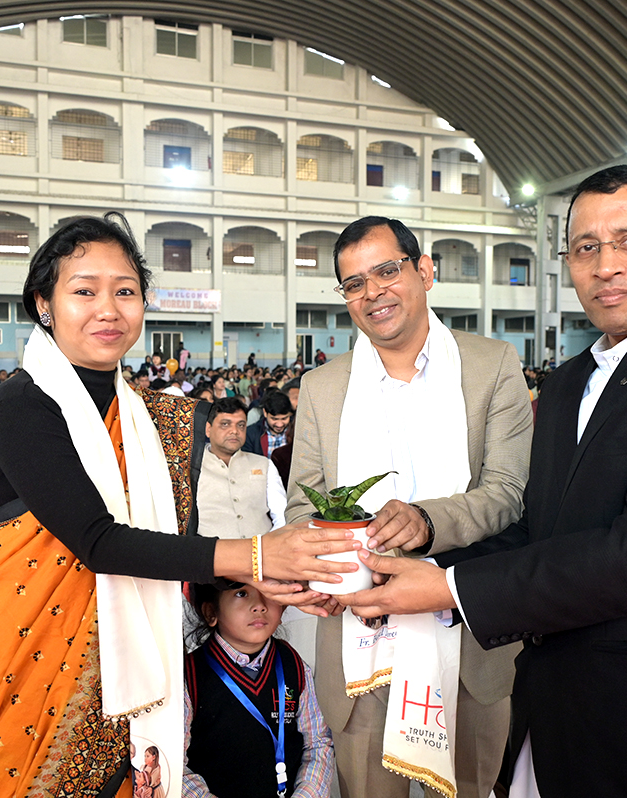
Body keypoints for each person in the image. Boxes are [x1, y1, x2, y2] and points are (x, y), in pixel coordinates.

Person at [339, 166, 627, 798]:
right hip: (560, 711)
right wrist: (415, 571)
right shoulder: (568, 383)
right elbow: (542, 529)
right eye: (586, 247)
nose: (606, 265)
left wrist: (450, 588)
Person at [0, 213, 359, 797]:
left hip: (135, 660)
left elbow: (173, 548)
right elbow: (99, 543)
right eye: (84, 291)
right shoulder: (22, 403)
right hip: (30, 655)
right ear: (44, 303)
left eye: (125, 291)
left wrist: (274, 580)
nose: (108, 309)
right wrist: (257, 555)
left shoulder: (154, 417)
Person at [282, 216, 532, 798]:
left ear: (424, 271)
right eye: (354, 283)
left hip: (468, 638)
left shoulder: (492, 365)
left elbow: (508, 491)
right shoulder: (323, 386)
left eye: (387, 271)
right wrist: (327, 570)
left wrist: (426, 521)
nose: (373, 293)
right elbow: (301, 506)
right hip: (360, 635)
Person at [183, 581, 334, 798]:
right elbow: (176, 767)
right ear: (211, 612)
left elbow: (317, 744)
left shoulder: (293, 665)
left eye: (269, 592)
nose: (260, 606)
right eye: (241, 593)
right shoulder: (189, 677)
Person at [197, 397, 286, 539]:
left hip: (263, 548)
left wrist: (268, 544)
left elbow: (281, 514)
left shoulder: (264, 464)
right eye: (225, 424)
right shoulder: (192, 468)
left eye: (241, 425)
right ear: (208, 429)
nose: (235, 431)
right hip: (210, 550)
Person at [243, 390, 292, 458]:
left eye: (284, 419)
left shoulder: (296, 431)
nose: (279, 424)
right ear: (265, 413)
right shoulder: (250, 434)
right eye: (274, 419)